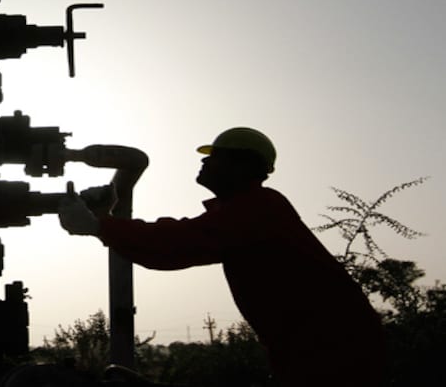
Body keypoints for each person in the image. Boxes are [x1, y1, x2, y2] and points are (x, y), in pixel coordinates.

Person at [58, 127, 385, 387]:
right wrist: (105, 227)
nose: (204, 162)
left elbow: (180, 243)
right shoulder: (250, 211)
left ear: (242, 164)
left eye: (214, 156)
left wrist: (99, 226)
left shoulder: (261, 208)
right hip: (318, 354)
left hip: (334, 356)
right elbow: (169, 252)